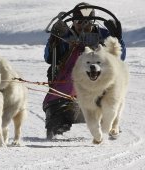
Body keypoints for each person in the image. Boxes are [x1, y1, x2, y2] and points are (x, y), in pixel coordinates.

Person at [43, 2, 126, 139]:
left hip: (99, 89)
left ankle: (110, 121)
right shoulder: (64, 35)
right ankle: (58, 117)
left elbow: (119, 59)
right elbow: (49, 58)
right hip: (66, 90)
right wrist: (54, 39)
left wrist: (117, 39)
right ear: (73, 21)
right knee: (58, 121)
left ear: (93, 22)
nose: (83, 26)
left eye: (88, 22)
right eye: (79, 22)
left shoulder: (104, 35)